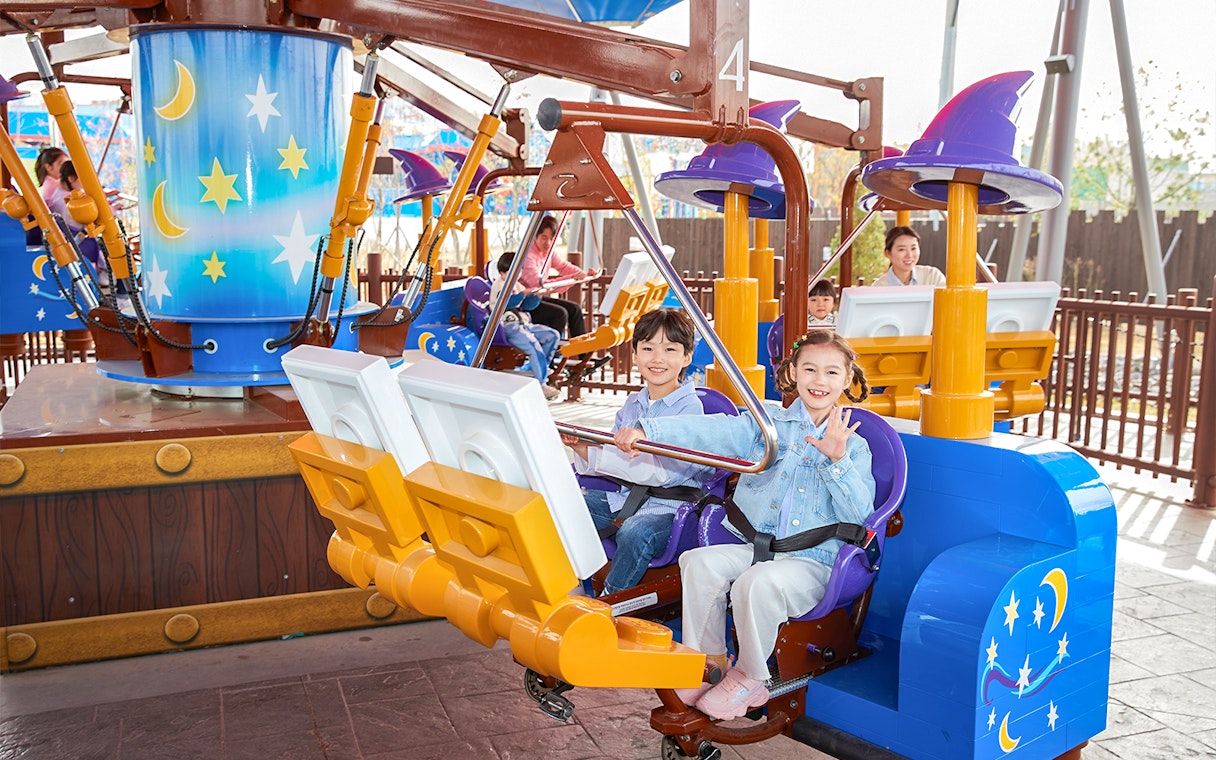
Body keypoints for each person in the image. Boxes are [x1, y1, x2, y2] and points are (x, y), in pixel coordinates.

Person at [614, 330, 876, 721]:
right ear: (793, 373)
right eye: (810, 369)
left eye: (831, 372)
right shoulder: (767, 425)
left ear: (847, 378)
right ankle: (709, 661)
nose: (819, 380)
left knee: (756, 584)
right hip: (758, 548)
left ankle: (752, 675)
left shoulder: (854, 445)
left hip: (813, 561)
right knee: (698, 562)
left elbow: (859, 516)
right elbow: (714, 430)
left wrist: (836, 461)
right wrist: (649, 431)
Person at [561, 308, 715, 596]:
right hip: (627, 500)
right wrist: (582, 446)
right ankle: (574, 582)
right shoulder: (633, 403)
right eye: (648, 348)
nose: (657, 358)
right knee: (563, 504)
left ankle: (611, 598)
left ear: (686, 357)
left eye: (669, 349)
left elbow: (662, 473)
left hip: (671, 510)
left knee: (636, 531)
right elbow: (613, 454)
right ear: (635, 354)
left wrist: (602, 455)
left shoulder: (690, 409)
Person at [491, 252, 562, 400]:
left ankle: (539, 369)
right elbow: (507, 302)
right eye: (513, 272)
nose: (517, 275)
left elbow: (528, 306)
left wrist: (536, 297)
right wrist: (523, 294)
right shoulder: (499, 286)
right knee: (533, 346)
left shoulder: (517, 285)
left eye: (519, 271)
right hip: (509, 327)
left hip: (523, 324)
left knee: (552, 335)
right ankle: (541, 384)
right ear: (503, 272)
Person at [518, 215, 598, 342]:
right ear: (535, 236)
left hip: (538, 298)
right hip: (525, 302)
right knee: (560, 314)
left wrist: (584, 275)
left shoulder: (548, 253)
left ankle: (582, 351)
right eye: (544, 237)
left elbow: (563, 266)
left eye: (552, 239)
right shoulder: (528, 256)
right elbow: (540, 285)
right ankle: (551, 351)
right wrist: (572, 278)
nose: (548, 243)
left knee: (575, 309)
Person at [871, 226, 945, 287]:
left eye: (913, 248)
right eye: (902, 249)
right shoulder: (878, 287)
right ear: (888, 253)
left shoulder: (933, 276)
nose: (909, 255)